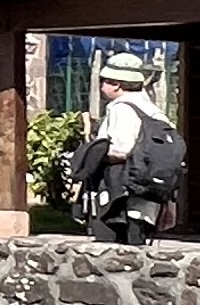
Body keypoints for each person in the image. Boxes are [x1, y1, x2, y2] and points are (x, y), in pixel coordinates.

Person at [69, 55, 184, 246]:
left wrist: (93, 156)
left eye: (104, 81)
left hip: (119, 195)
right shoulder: (154, 112)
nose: (101, 86)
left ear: (116, 84)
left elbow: (122, 149)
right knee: (137, 246)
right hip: (148, 195)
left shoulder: (120, 108)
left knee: (112, 252)